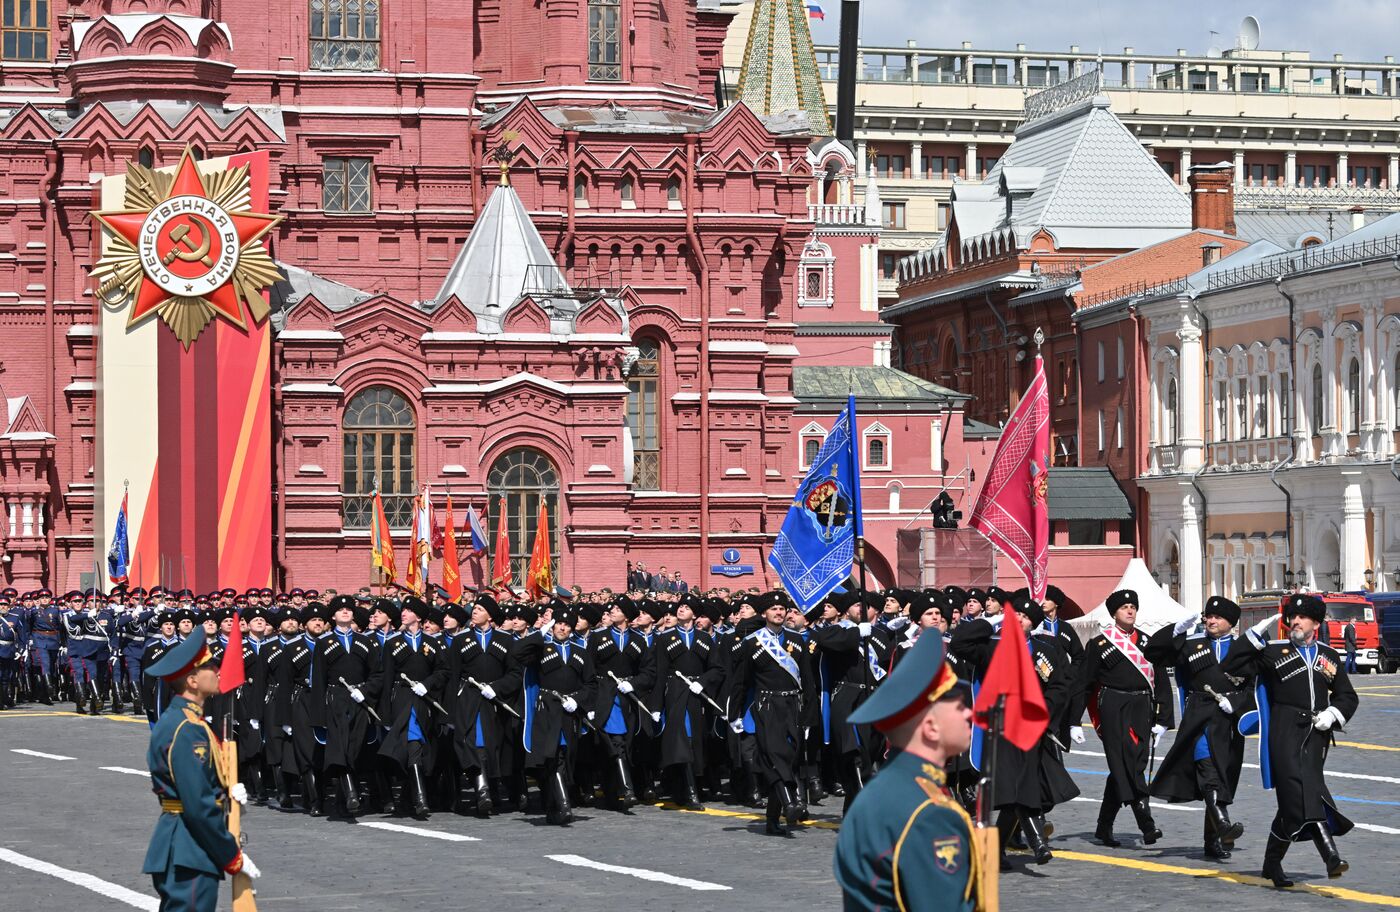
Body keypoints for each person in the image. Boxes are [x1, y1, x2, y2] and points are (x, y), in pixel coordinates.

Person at [833, 622, 985, 912]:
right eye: (958, 702)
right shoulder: (931, 813)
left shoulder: (881, 790)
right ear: (930, 727)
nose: (969, 711)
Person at [1222, 594, 1359, 888]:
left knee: (1295, 799)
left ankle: (1272, 864)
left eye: (1301, 618)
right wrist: (1254, 635)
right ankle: (1330, 856)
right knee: (1304, 789)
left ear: (1316, 623)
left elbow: (1348, 696)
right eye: (1291, 617)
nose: (1294, 622)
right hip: (1284, 731)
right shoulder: (1273, 653)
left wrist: (1333, 714)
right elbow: (1231, 665)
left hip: (1317, 733)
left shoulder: (1329, 656)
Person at [950, 591, 1077, 866]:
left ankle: (996, 849)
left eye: (1025, 617)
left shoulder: (1044, 651)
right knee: (1017, 784)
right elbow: (959, 643)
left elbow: (1060, 685)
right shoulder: (991, 646)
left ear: (1033, 623)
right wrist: (988, 622)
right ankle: (1038, 843)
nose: (1019, 619)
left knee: (1018, 788)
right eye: (1015, 614)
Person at [142, 629, 261, 911]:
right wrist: (232, 855)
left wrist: (227, 790)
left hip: (187, 845)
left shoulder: (188, 721)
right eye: (210, 667)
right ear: (193, 681)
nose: (217, 671)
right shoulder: (188, 730)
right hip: (188, 845)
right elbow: (196, 803)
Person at [1144, 596, 1252, 861]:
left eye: (1218, 617)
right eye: (1209, 616)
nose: (1211, 621)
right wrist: (1175, 631)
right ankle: (1223, 824)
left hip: (1229, 721)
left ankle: (1212, 841)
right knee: (1208, 770)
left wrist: (1236, 702)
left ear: (1231, 622)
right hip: (1200, 717)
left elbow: (1254, 688)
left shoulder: (1243, 649)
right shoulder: (1192, 645)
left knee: (1223, 776)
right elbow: (1154, 653)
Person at [1071, 588, 1174, 848]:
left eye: (1133, 607)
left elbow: (1161, 682)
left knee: (1129, 765)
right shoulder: (1100, 644)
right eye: (1124, 607)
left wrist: (1163, 720)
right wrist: (1074, 720)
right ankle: (1146, 824)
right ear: (1114, 613)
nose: (1130, 610)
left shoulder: (1149, 643)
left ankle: (1103, 827)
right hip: (1113, 706)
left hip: (1142, 707)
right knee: (1128, 764)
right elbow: (1084, 684)